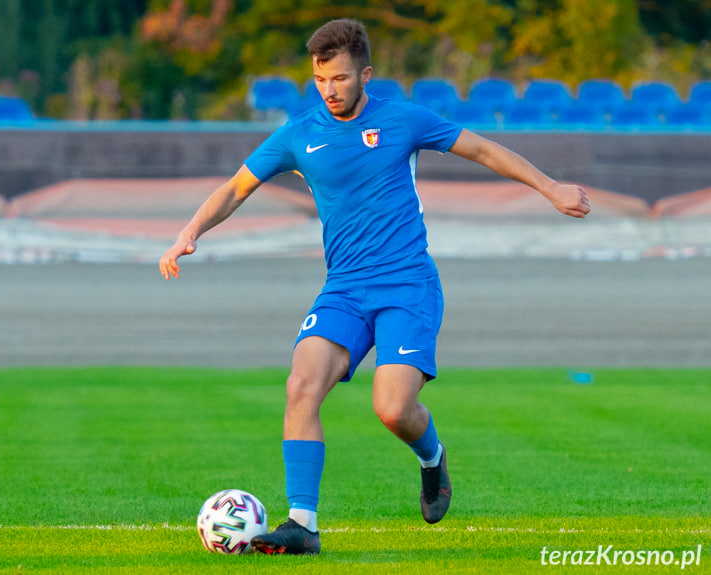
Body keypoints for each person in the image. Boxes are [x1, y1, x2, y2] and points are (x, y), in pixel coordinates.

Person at [159, 18, 590, 555]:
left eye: (339, 79)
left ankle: (432, 460)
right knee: (301, 385)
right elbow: (236, 188)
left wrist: (551, 189)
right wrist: (190, 231)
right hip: (343, 289)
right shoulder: (300, 134)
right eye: (320, 80)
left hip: (407, 285)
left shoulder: (404, 120)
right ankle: (302, 524)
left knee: (392, 409)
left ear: (365, 73)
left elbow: (482, 150)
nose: (330, 90)